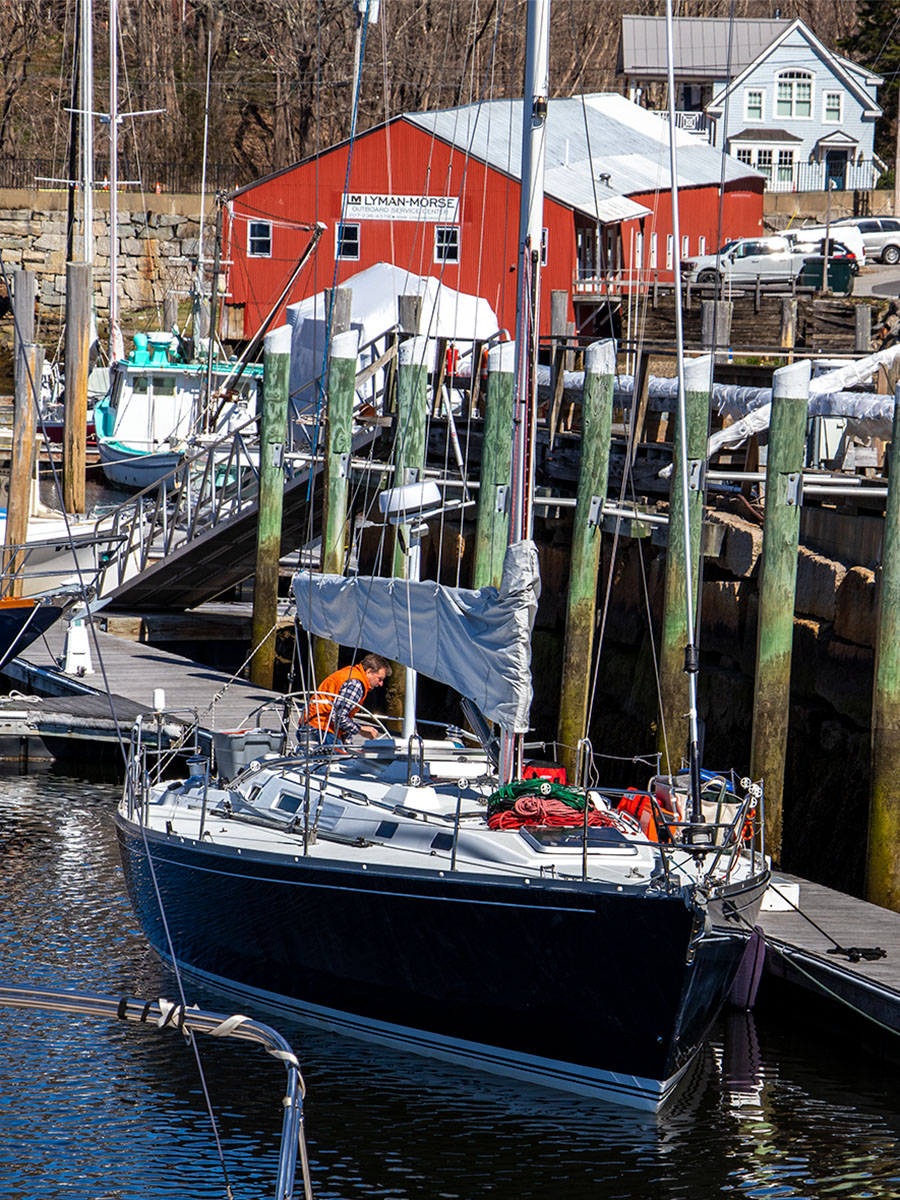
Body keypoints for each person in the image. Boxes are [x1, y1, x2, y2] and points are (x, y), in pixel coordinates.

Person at [301, 654, 392, 745]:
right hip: (321, 730)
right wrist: (360, 729)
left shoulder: (350, 672)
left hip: (310, 724)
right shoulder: (356, 684)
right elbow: (338, 716)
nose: (381, 684)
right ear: (369, 672)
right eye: (379, 679)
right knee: (344, 757)